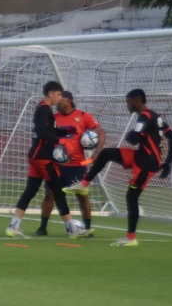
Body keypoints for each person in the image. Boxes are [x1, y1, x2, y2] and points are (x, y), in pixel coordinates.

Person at [63, 89, 172, 246]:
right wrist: (169, 160)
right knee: (107, 153)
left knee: (131, 197)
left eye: (129, 102)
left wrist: (132, 135)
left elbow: (134, 138)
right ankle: (84, 184)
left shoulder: (143, 117)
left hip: (146, 164)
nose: (127, 105)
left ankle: (131, 238)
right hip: (141, 156)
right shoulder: (154, 116)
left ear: (136, 101)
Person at [5, 81, 93, 239]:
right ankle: (70, 228)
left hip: (36, 156)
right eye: (59, 94)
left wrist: (68, 130)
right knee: (58, 191)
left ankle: (13, 226)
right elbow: (41, 131)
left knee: (31, 190)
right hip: (43, 158)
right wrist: (61, 141)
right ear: (51, 93)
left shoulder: (45, 109)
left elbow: (49, 130)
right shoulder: (44, 109)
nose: (60, 98)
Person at [34, 91, 106, 236]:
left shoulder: (84, 116)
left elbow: (101, 133)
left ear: (68, 100)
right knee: (50, 195)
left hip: (77, 165)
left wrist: (97, 152)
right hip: (56, 164)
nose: (57, 102)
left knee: (81, 195)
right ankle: (42, 228)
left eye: (61, 99)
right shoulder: (53, 117)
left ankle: (87, 228)